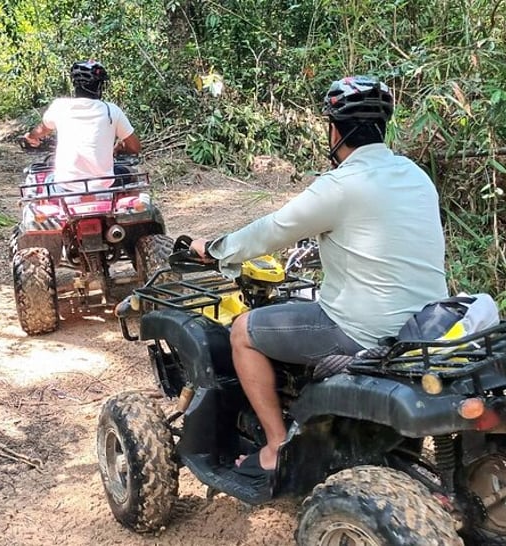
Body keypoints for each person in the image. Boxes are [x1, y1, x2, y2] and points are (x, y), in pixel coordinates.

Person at [190, 75, 448, 480]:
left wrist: (216, 248)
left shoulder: (341, 185)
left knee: (243, 331)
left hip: (364, 330)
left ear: (335, 131)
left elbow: (272, 230)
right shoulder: (415, 175)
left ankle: (275, 447)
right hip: (430, 324)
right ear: (382, 127)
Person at [23, 60, 141, 193]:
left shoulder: (60, 107)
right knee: (132, 173)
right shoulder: (111, 110)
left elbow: (40, 131)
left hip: (65, 186)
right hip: (104, 186)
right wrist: (119, 148)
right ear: (100, 86)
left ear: (74, 84)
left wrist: (30, 137)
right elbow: (135, 147)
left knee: (40, 178)